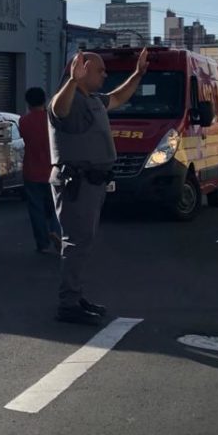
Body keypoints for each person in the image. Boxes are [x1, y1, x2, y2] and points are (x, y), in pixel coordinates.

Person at [48, 48, 149, 325]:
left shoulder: (92, 99)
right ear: (81, 70)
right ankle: (68, 304)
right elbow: (59, 108)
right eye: (100, 70)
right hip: (77, 180)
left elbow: (118, 97)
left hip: (93, 181)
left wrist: (137, 75)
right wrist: (71, 81)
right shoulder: (68, 99)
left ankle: (75, 296)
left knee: (83, 241)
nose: (105, 74)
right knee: (76, 242)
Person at [19, 87, 61, 254]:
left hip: (31, 170)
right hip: (52, 169)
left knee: (36, 209)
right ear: (45, 100)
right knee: (57, 206)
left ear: (28, 103)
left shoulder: (24, 121)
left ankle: (42, 243)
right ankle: (55, 230)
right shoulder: (53, 120)